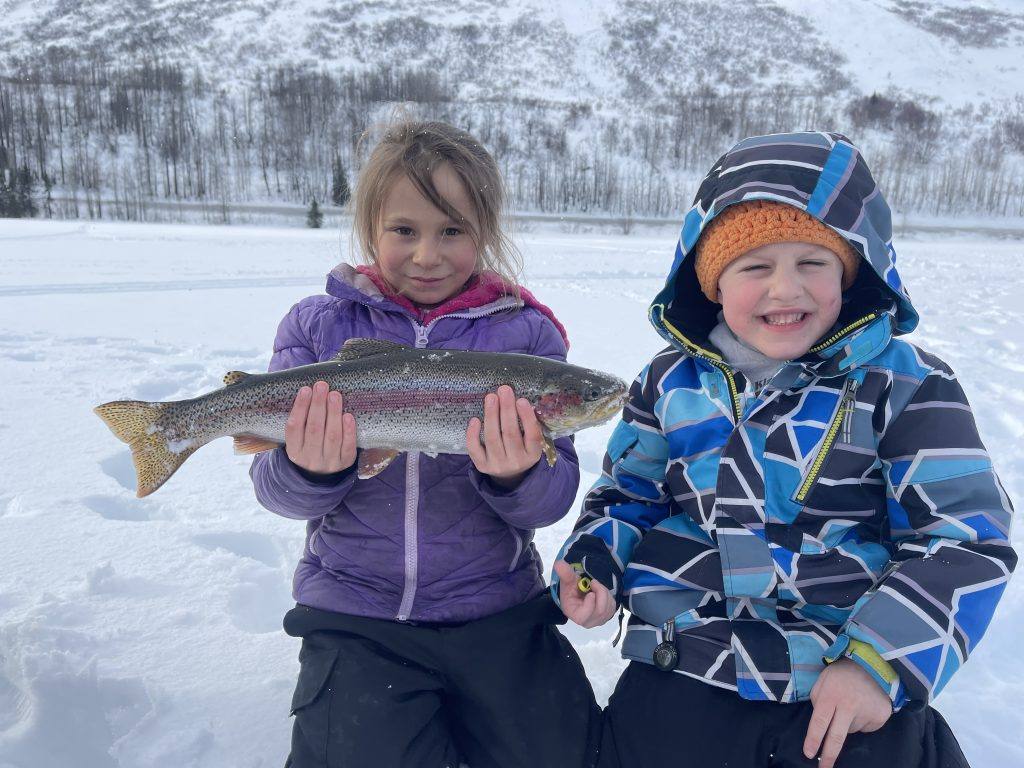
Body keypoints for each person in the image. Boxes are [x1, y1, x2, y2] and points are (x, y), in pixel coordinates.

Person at [553, 131, 1016, 768]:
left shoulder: (906, 386)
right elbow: (628, 497)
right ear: (713, 282)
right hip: (686, 659)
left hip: (836, 675)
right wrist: (595, 559)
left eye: (812, 263)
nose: (784, 290)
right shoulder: (670, 383)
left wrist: (876, 662)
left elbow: (964, 537)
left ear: (853, 269)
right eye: (754, 267)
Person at [251, 120, 599, 768]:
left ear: (485, 232)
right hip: (356, 613)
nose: (427, 254)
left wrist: (516, 477)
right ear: (370, 229)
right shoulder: (317, 324)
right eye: (404, 231)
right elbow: (276, 491)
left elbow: (549, 504)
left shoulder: (528, 339)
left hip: (496, 606)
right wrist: (309, 469)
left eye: (452, 231)